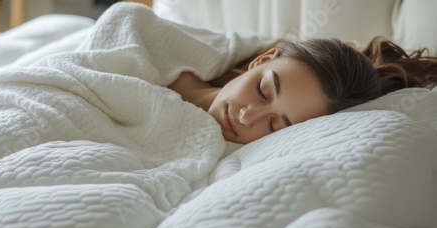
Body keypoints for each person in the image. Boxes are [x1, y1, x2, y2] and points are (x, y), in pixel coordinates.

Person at [168, 36, 437, 144]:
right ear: (262, 60)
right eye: (262, 91)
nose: (246, 117)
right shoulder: (166, 51)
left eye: (274, 126)